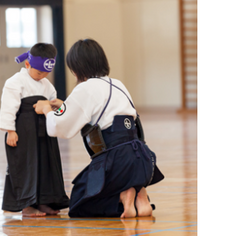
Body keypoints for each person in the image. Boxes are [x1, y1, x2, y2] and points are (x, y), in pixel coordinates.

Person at [33, 39, 164, 218]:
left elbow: (58, 127)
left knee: (79, 201)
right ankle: (138, 195)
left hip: (117, 161)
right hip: (143, 161)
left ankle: (123, 195)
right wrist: (66, 105)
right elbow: (99, 114)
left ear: (76, 68)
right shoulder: (118, 84)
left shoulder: (84, 89)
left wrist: (46, 110)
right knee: (94, 191)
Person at [0, 43, 69, 217]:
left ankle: (45, 201)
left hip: (44, 133)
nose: (43, 76)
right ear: (27, 64)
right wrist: (10, 130)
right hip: (24, 133)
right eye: (39, 72)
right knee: (26, 167)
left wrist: (59, 107)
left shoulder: (47, 85)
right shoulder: (15, 82)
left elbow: (55, 108)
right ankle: (27, 205)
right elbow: (8, 107)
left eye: (46, 73)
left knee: (46, 167)